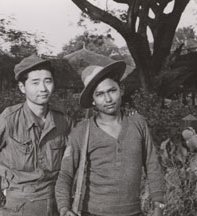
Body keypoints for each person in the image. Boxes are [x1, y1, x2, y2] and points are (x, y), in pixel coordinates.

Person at [0, 54, 73, 216]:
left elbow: (71, 164)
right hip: (18, 206)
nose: (43, 88)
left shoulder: (63, 120)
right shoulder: (7, 120)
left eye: (48, 81)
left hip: (56, 205)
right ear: (22, 87)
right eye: (35, 82)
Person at [55, 61, 166, 216]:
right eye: (100, 94)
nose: (108, 99)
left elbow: (152, 165)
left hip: (133, 212)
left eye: (111, 90)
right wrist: (64, 208)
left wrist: (158, 205)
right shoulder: (82, 131)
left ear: (121, 90)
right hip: (93, 212)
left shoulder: (137, 123)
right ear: (93, 100)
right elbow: (66, 173)